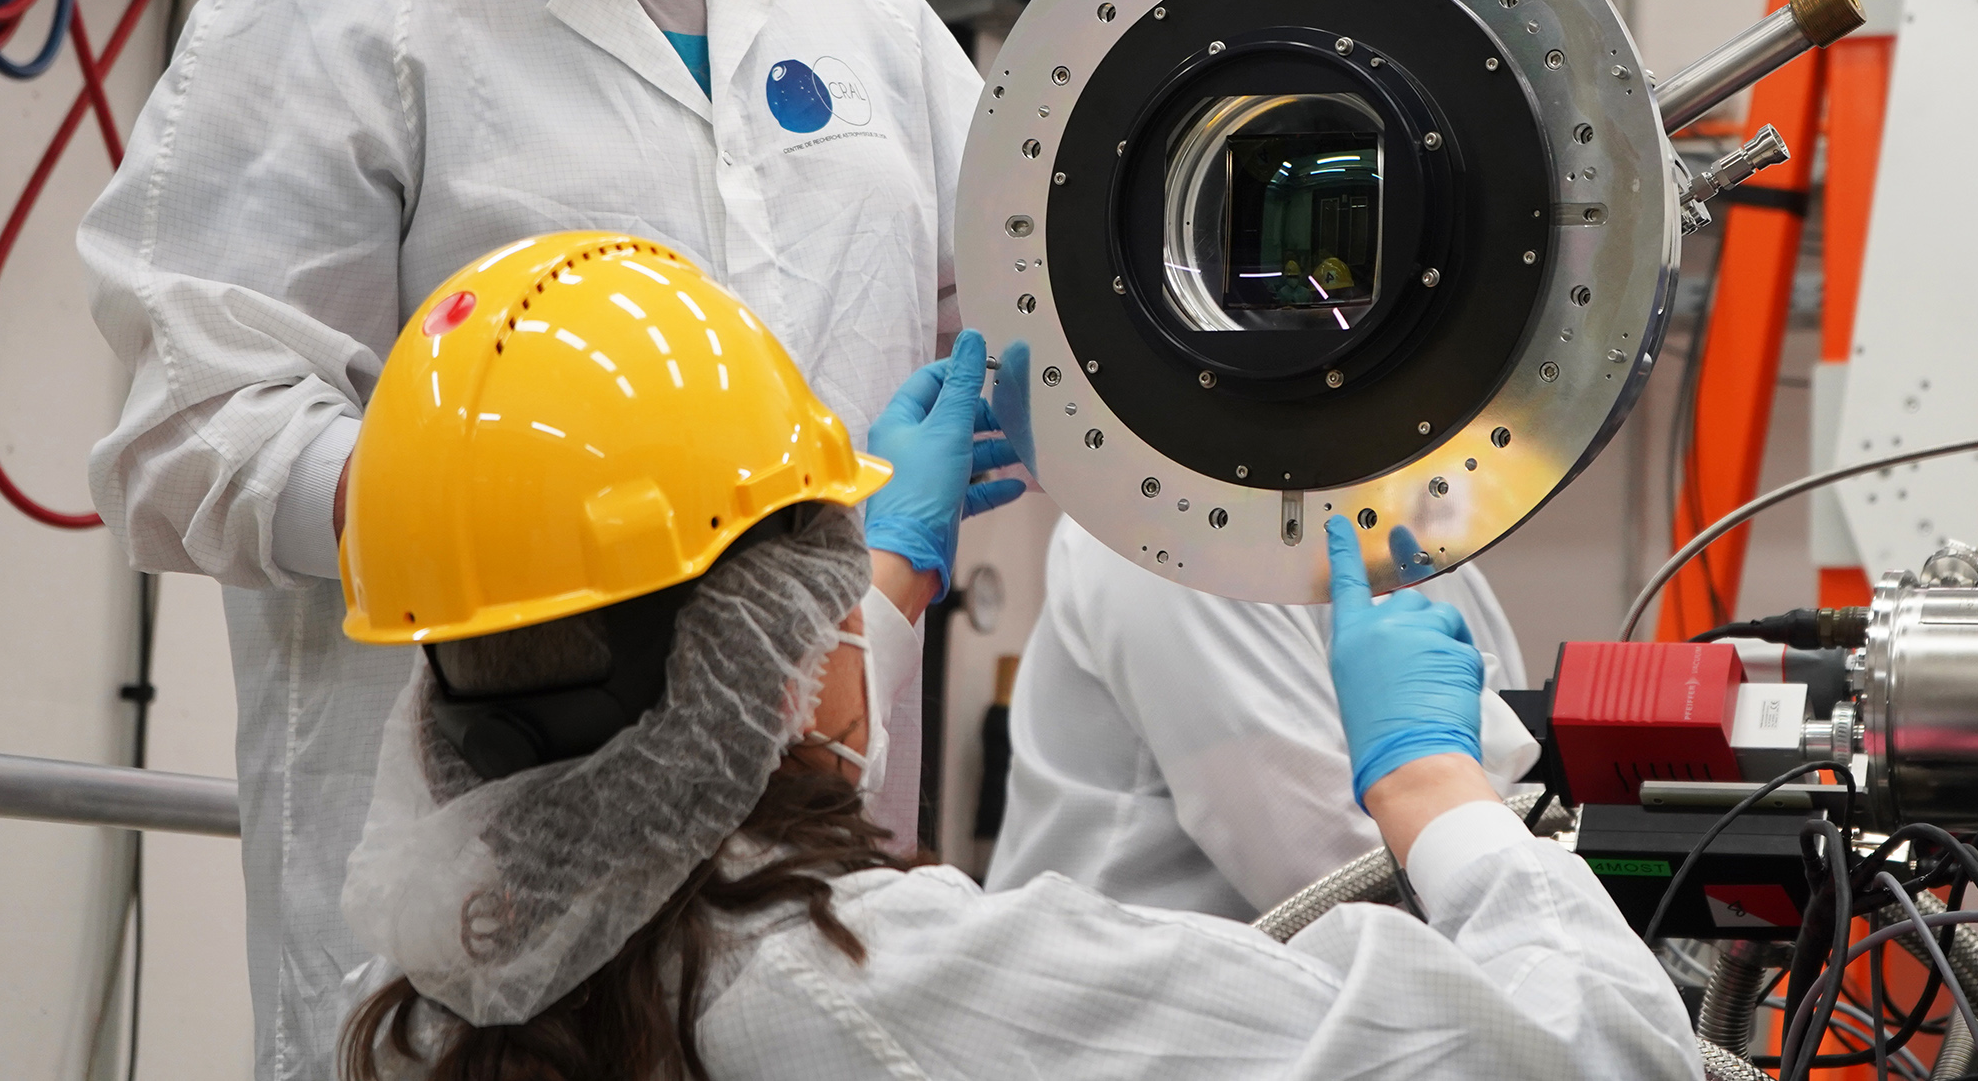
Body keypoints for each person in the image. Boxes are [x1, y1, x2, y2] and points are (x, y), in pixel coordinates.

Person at [77, 0, 1003, 1078]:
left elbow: (1003, 290)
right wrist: (513, 501)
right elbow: (181, 437)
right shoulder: (344, 4)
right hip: (473, 946)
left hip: (805, 893)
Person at [332, 238, 1694, 1080]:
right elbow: (1600, 1055)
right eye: (826, 571)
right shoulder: (898, 987)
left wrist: (885, 581)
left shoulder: (442, 999)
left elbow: (683, 772)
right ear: (776, 644)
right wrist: (1431, 790)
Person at [986, 514, 1535, 917]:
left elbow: (1527, 807)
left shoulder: (1428, 545)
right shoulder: (1168, 534)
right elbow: (1329, 878)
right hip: (1128, 1002)